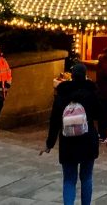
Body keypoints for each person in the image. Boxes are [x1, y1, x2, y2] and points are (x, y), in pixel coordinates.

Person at [44, 63, 101, 205]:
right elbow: (100, 114)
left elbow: (55, 120)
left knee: (69, 180)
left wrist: (49, 143)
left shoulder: (62, 94)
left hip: (67, 141)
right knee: (87, 177)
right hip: (88, 139)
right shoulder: (91, 93)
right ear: (85, 75)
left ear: (72, 76)